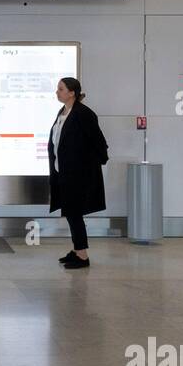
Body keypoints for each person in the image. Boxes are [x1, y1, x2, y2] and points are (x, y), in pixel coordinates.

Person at [46, 77, 109, 270]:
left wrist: (88, 165)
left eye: (61, 89)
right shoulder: (63, 112)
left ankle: (82, 255)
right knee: (71, 212)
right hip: (63, 171)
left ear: (72, 92)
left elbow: (99, 143)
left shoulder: (83, 114)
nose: (57, 92)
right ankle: (76, 250)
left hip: (77, 174)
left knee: (74, 213)